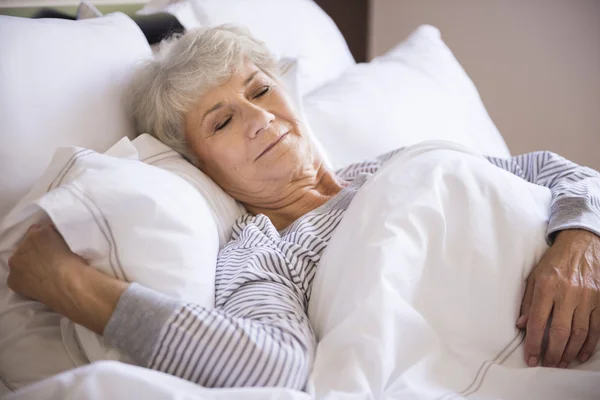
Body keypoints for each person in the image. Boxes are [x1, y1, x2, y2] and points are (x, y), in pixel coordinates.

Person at [7, 25, 600, 390]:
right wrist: (71, 285)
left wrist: (579, 240)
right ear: (201, 165)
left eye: (260, 90)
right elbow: (273, 367)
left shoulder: (394, 163)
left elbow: (553, 172)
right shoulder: (264, 253)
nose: (260, 118)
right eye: (223, 121)